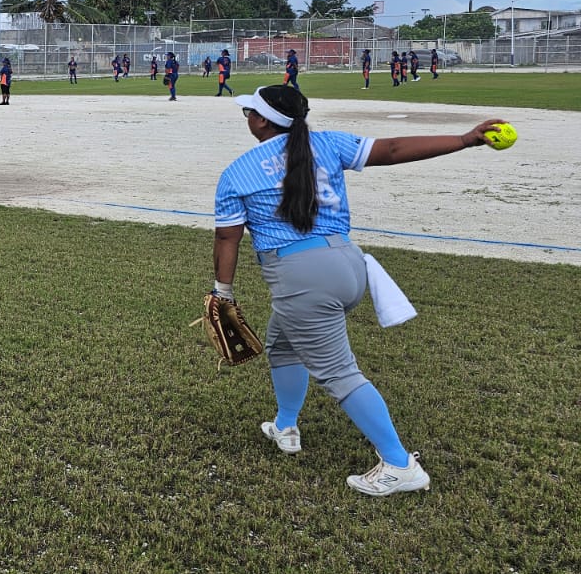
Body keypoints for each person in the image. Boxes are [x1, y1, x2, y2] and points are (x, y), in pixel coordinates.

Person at [212, 85, 507, 496]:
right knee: (282, 343)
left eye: (249, 112)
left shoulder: (238, 172)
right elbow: (392, 149)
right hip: (349, 264)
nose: (246, 118)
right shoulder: (329, 143)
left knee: (339, 374)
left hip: (302, 278)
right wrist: (463, 139)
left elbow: (228, 239)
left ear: (262, 120)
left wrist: (222, 291)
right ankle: (285, 425)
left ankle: (399, 464)